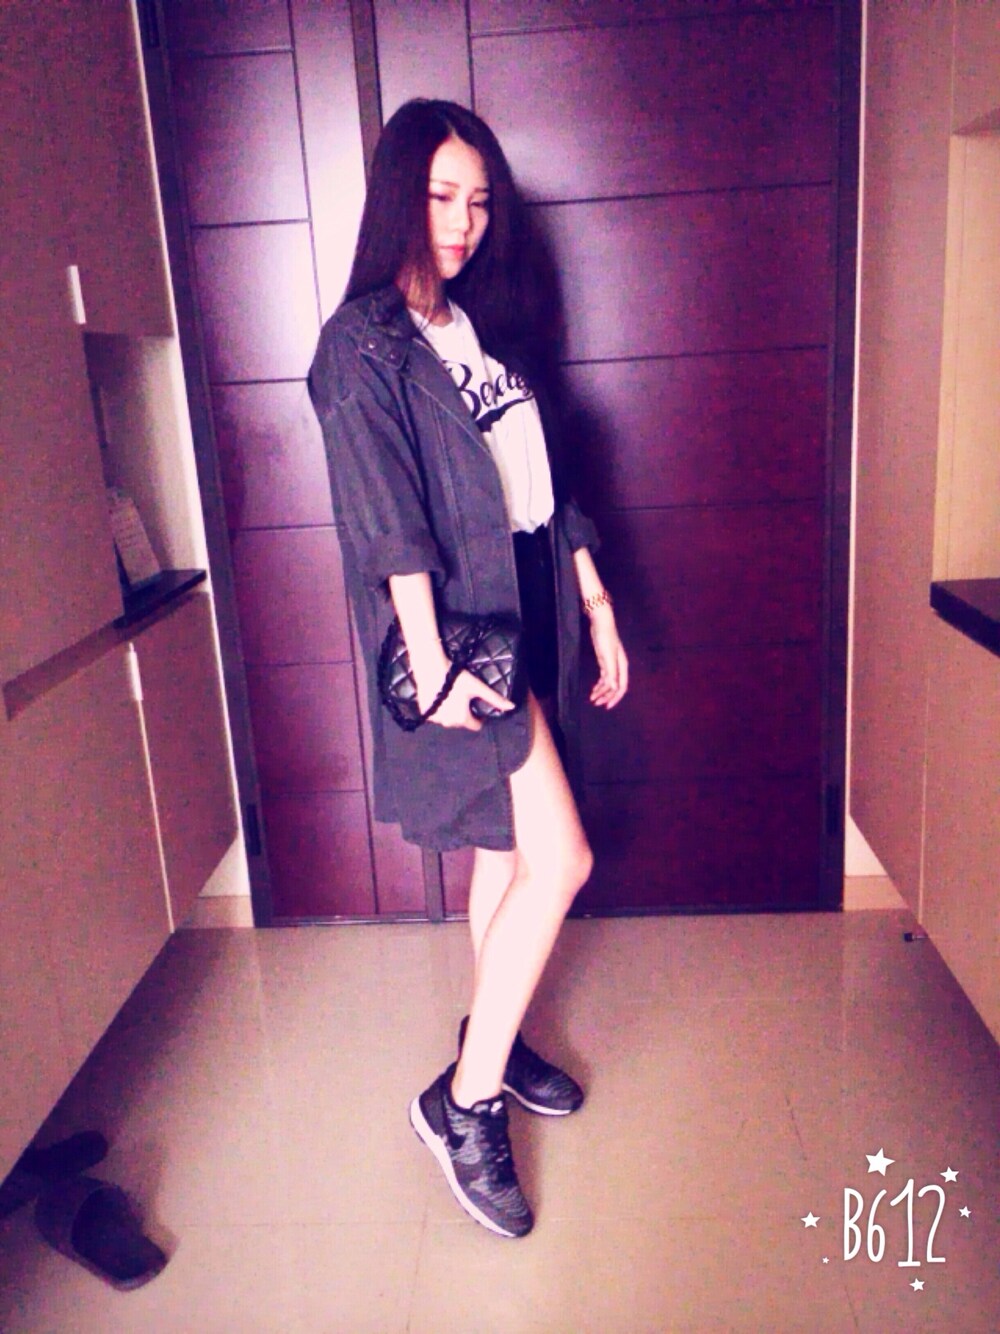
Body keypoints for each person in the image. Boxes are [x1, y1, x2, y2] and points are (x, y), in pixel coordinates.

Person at [308, 99, 628, 1239]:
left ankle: (490, 1028)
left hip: (531, 607)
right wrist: (435, 662)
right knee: (564, 858)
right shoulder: (361, 344)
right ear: (400, 191)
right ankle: (464, 1104)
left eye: (479, 201)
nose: (462, 220)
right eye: (441, 195)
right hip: (465, 636)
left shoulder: (478, 325)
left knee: (507, 847)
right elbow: (387, 519)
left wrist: (594, 603)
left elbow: (545, 479)